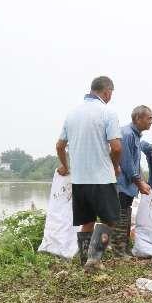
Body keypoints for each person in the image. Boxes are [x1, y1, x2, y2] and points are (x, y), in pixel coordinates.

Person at [55, 76, 122, 272]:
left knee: (87, 221)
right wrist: (115, 166)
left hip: (79, 180)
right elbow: (116, 148)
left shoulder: (72, 114)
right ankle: (94, 260)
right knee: (109, 220)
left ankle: (85, 260)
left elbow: (60, 146)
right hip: (101, 178)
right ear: (107, 92)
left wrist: (65, 166)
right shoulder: (107, 112)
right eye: (111, 94)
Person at [114, 106, 152, 257]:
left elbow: (136, 162)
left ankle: (123, 248)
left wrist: (143, 180)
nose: (151, 121)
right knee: (121, 213)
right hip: (121, 184)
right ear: (138, 119)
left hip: (128, 185)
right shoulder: (127, 134)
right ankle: (118, 250)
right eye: (149, 118)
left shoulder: (136, 135)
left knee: (126, 211)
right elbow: (127, 163)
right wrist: (139, 183)